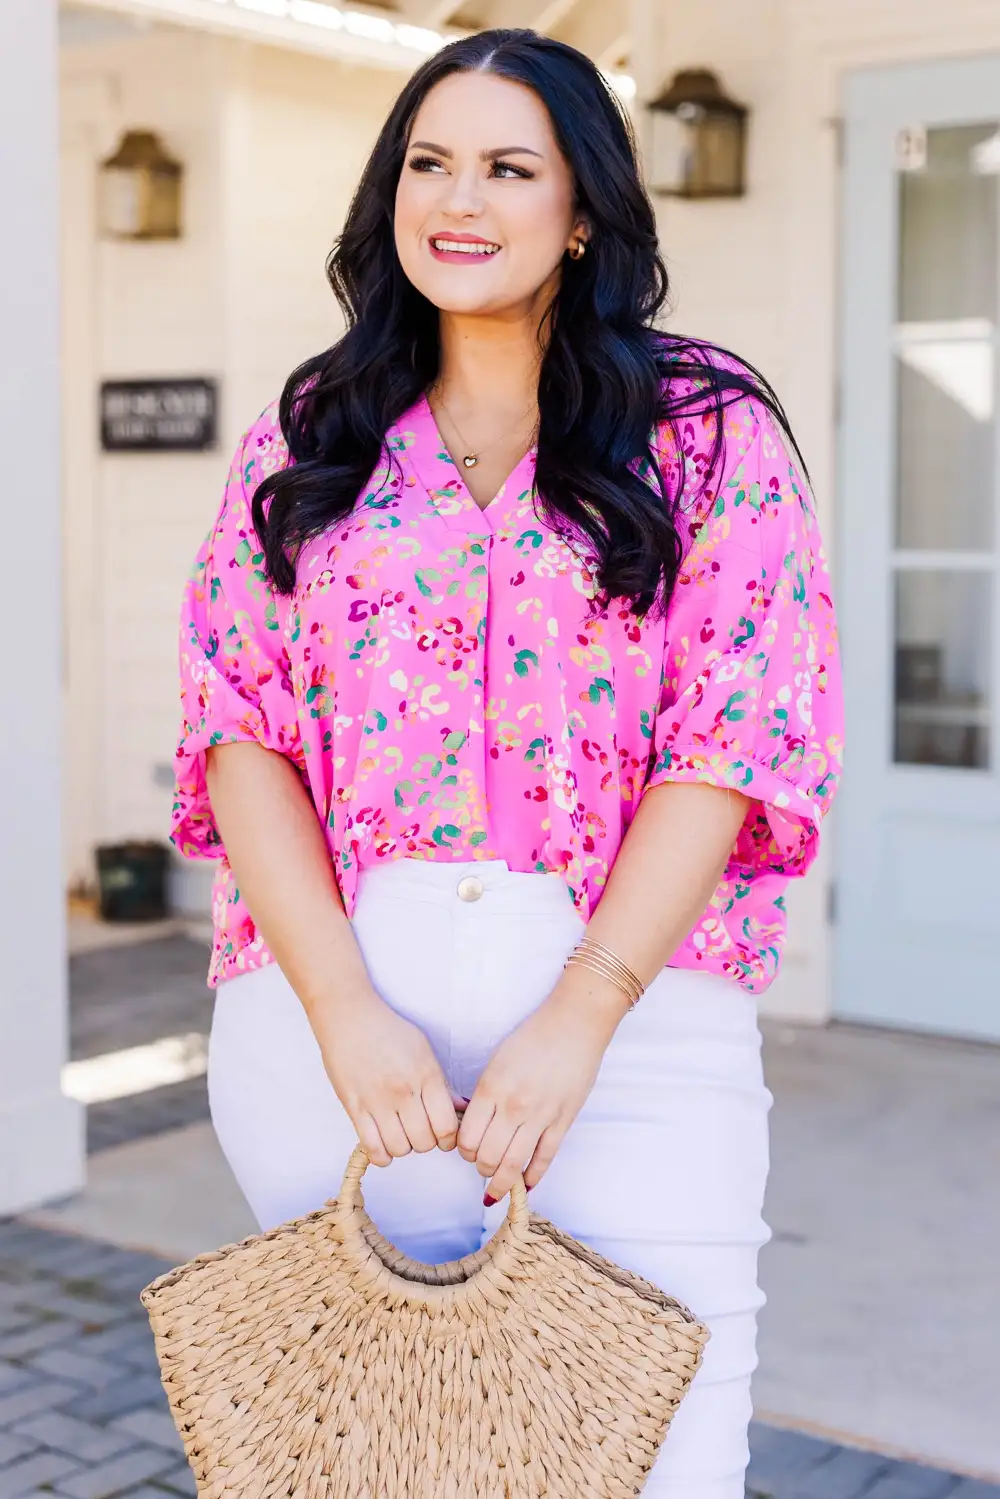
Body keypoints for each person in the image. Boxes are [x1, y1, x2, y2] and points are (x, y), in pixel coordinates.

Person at [172, 27, 843, 1498]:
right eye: (428, 161)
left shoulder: (708, 432)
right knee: (368, 1464)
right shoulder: (308, 438)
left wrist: (581, 1015)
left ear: (583, 209)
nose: (457, 198)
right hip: (334, 1028)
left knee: (665, 1449)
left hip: (632, 1013)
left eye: (507, 166)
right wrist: (343, 1010)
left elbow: (733, 738)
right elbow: (239, 733)